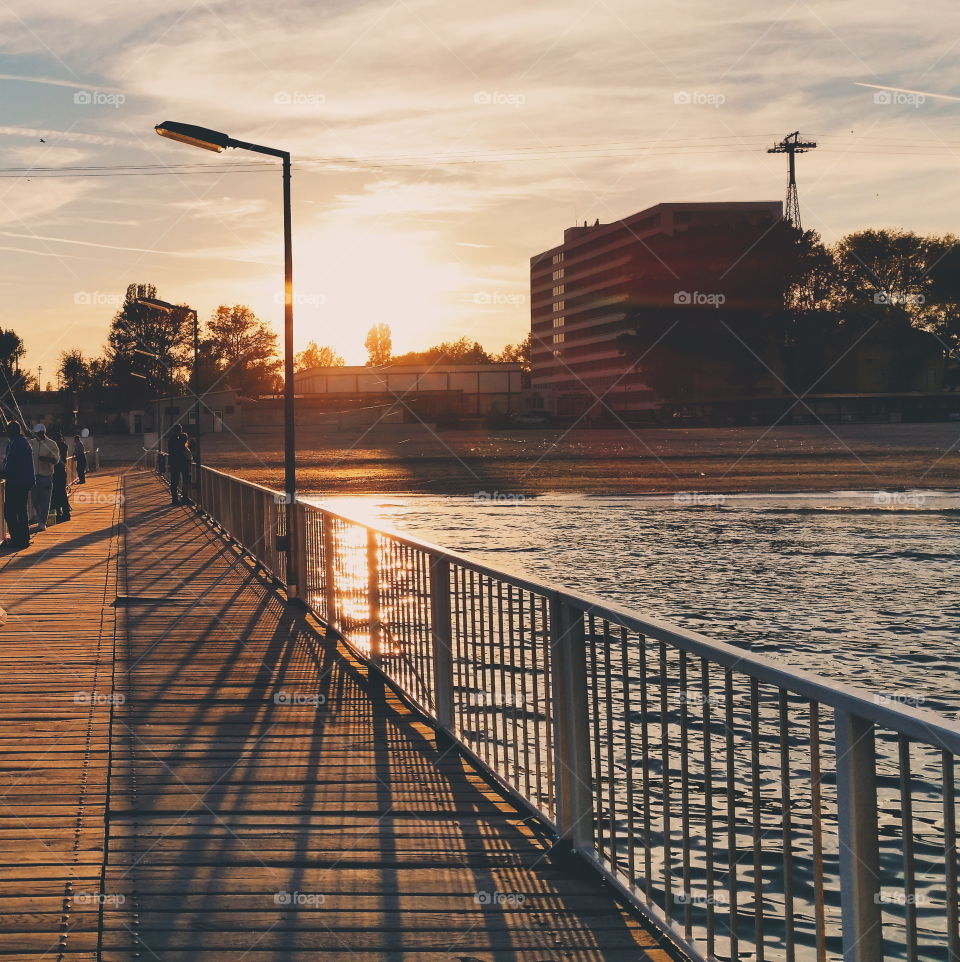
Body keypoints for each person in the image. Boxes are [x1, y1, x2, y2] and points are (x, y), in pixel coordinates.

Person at [1, 421, 35, 550]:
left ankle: (17, 540)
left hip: (16, 482)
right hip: (25, 481)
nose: (7, 434)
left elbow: (10, 466)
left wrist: (2, 473)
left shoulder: (15, 443)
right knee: (21, 511)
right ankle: (24, 539)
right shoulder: (24, 442)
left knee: (9, 512)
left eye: (8, 431)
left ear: (12, 431)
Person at [29, 423, 59, 532]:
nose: (36, 435)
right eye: (35, 433)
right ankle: (38, 517)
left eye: (38, 433)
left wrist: (46, 459)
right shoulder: (31, 443)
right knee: (35, 500)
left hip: (46, 476)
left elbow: (56, 460)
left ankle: (42, 523)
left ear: (43, 433)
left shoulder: (52, 444)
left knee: (45, 501)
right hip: (33, 477)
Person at [168, 425, 192, 505]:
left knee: (175, 481)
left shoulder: (171, 439)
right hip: (182, 463)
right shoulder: (180, 439)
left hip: (174, 463)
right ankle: (184, 498)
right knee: (185, 480)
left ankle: (175, 499)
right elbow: (182, 449)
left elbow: (171, 452)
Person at [50, 432, 71, 523]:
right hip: (62, 471)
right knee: (62, 492)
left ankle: (58, 513)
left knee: (54, 493)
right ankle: (66, 513)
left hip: (54, 472)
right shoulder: (65, 446)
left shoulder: (53, 446)